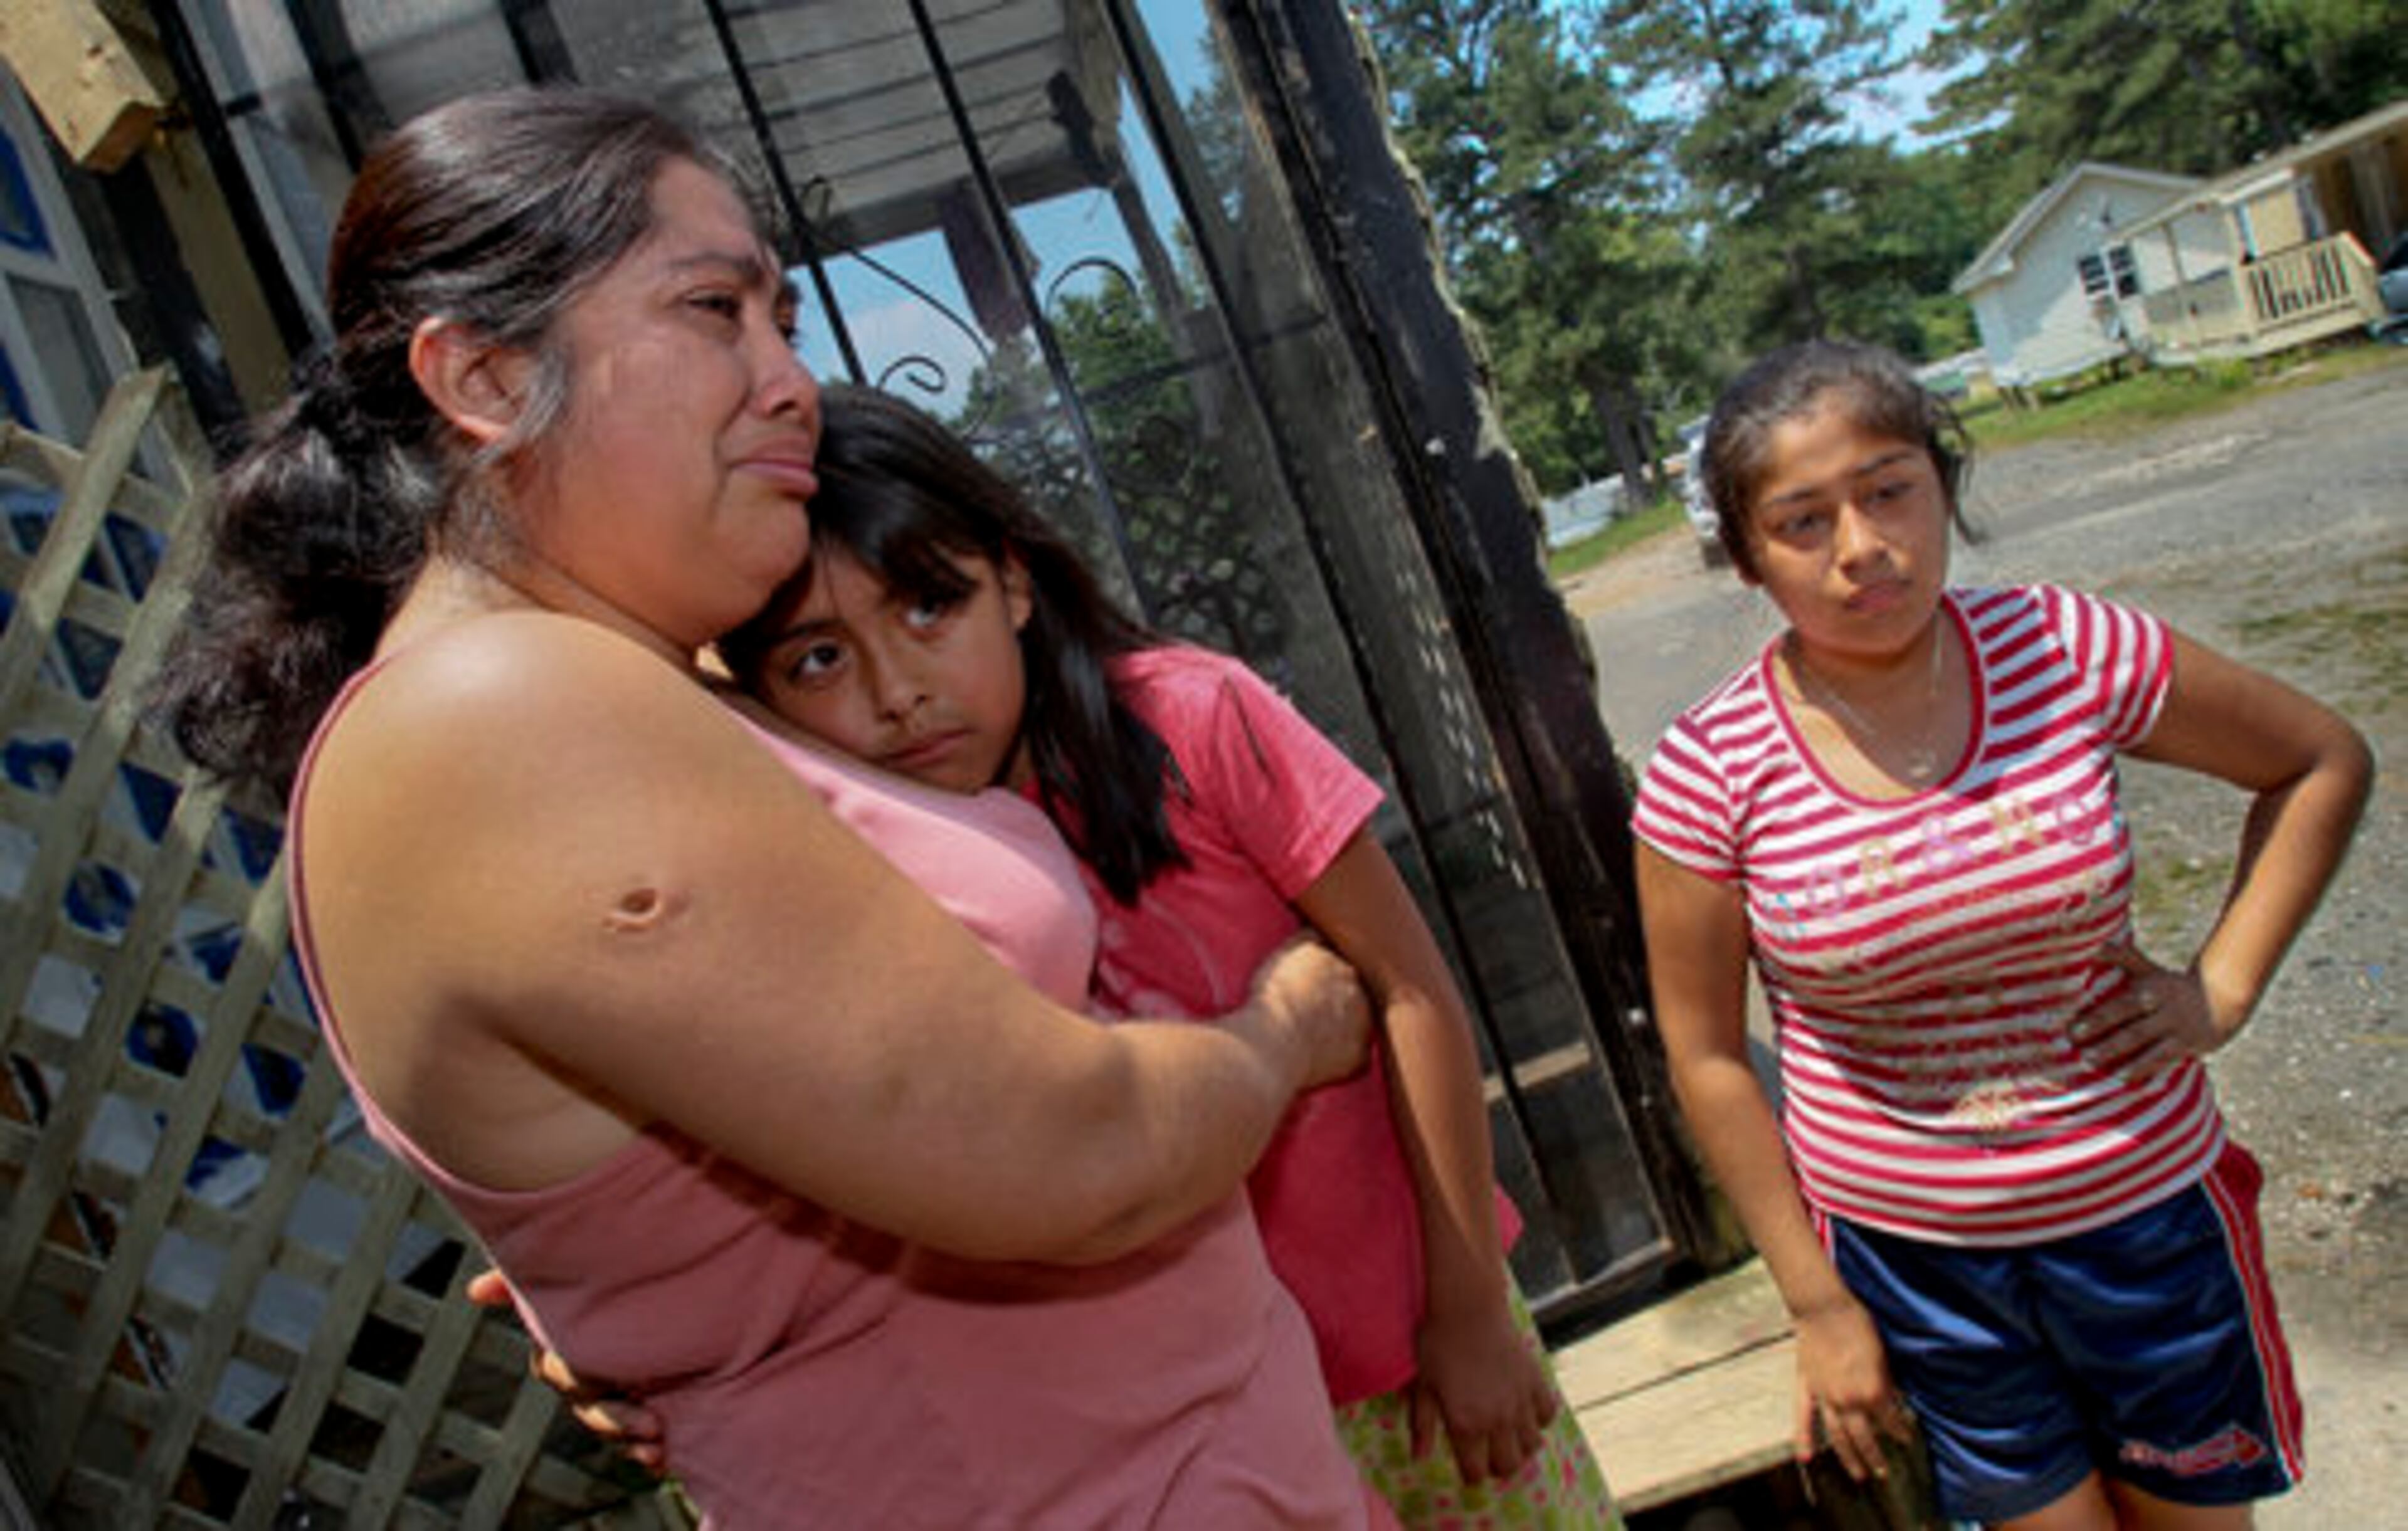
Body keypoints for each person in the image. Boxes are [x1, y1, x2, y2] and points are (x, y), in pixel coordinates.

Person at [154, 87, 1393, 1530]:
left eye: (784, 323)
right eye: (712, 312)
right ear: (486, 381)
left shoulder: (647, 682)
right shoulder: (497, 716)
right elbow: (1074, 1157)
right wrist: (1279, 1036)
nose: (790, 378)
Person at [706, 384, 1621, 1529]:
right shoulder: (858, 875)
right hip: (1166, 1436)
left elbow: (1409, 989)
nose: (898, 692)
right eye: (819, 659)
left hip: (1409, 1353)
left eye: (930, 605)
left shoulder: (1192, 721)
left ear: (1014, 579)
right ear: (759, 700)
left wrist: (1471, 1304)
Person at [1629, 339, 2372, 1530]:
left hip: (2149, 1230)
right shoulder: (1708, 771)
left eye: (1888, 489)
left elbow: (2319, 759)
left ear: (1942, 484)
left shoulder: (2066, 648)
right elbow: (1708, 1056)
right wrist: (1822, 1309)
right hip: (1925, 1277)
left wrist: (2221, 987)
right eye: (1804, 522)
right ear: (1751, 559)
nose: (1864, 547)